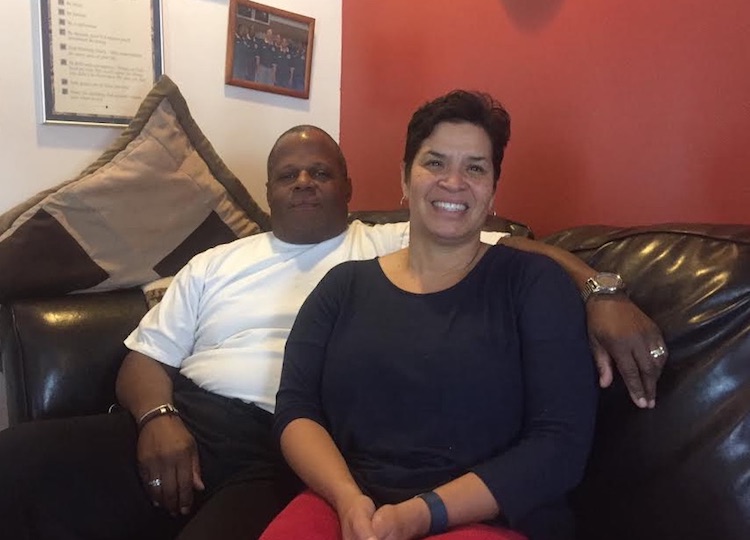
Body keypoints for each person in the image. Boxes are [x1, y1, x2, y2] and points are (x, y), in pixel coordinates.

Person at [0, 124, 665, 540]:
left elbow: (520, 250)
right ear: (268, 192)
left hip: (290, 442)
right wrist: (158, 415)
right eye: (288, 175)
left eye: (320, 171)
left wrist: (600, 289)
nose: (304, 183)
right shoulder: (213, 263)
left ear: (352, 187)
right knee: (18, 462)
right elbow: (145, 358)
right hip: (190, 418)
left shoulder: (396, 244)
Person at [261, 92, 599, 540]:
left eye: (475, 167)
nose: (453, 182)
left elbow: (559, 445)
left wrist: (421, 514)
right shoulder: (342, 288)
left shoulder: (534, 285)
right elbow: (296, 408)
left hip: (486, 517)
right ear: (404, 178)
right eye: (435, 163)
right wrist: (346, 497)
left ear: (494, 190)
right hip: (347, 505)